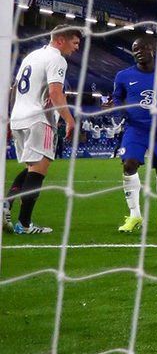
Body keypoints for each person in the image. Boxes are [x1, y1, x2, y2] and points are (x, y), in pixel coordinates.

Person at [4, 26, 81, 234]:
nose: (76, 48)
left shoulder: (32, 56)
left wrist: (10, 119)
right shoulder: (57, 59)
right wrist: (69, 120)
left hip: (19, 117)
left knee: (31, 167)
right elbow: (56, 93)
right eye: (74, 43)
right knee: (39, 170)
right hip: (39, 119)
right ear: (60, 40)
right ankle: (25, 224)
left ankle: (6, 205)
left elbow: (14, 89)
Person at [110, 36, 157, 233]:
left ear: (153, 49)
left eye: (142, 48)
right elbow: (117, 99)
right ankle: (134, 215)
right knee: (129, 164)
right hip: (135, 128)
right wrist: (121, 111)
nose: (138, 51)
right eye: (134, 49)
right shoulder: (123, 76)